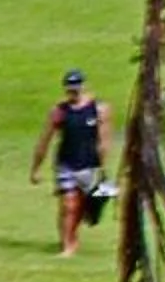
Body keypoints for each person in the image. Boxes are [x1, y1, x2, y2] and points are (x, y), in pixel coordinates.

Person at [29, 68, 113, 256]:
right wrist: (35, 168)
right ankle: (67, 245)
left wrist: (103, 167)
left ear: (84, 86)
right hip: (66, 163)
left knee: (82, 207)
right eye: (70, 89)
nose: (73, 93)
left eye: (77, 88)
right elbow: (45, 141)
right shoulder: (59, 112)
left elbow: (104, 140)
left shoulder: (99, 109)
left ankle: (72, 236)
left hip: (89, 164)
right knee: (68, 204)